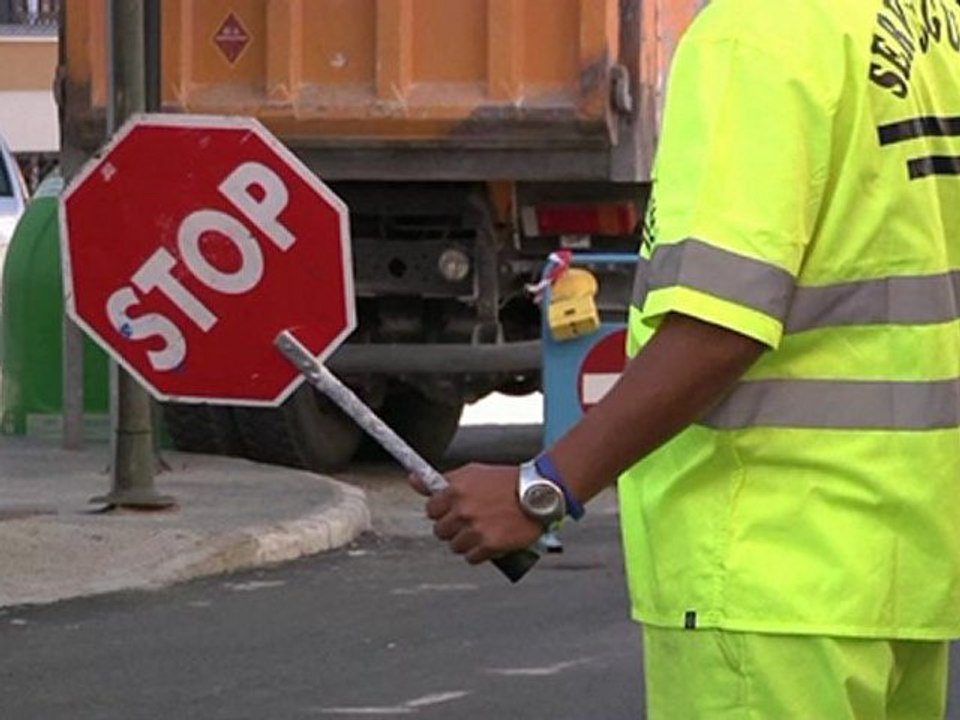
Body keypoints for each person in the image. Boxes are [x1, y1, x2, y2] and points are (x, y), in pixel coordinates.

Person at [416, 0, 960, 716]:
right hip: (900, 563)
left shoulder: (757, 32)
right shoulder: (927, 22)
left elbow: (720, 321)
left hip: (767, 567)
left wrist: (542, 487)